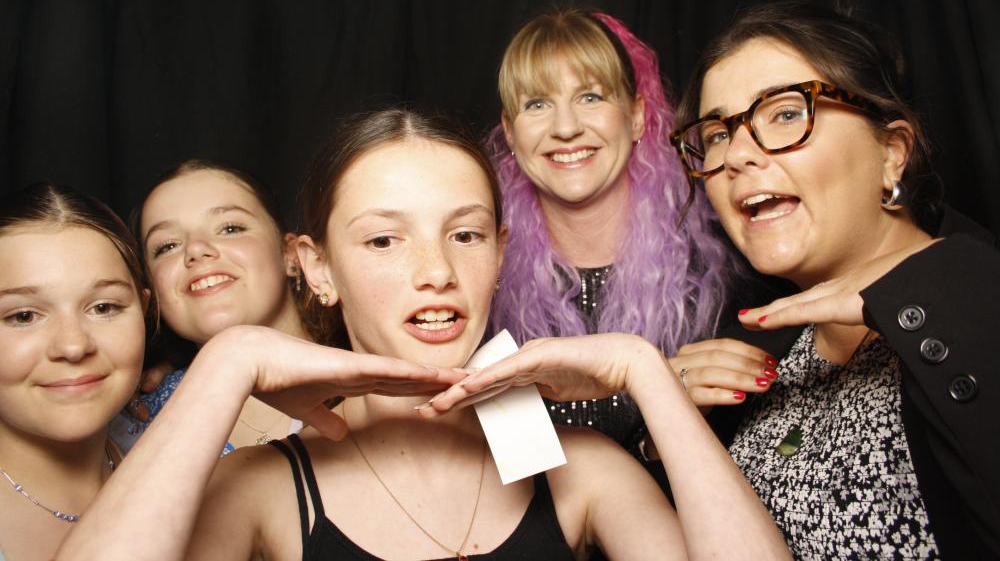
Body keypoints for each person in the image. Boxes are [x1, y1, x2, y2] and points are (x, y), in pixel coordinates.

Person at [57, 108, 789, 560]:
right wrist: (229, 361)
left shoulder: (578, 470)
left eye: (465, 235)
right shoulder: (259, 490)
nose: (436, 271)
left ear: (499, 255)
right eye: (384, 241)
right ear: (317, 268)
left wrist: (643, 369)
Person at [666, 0, 1000, 557]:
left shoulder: (980, 301)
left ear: (891, 153)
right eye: (718, 134)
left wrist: (921, 290)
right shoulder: (763, 347)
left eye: (785, 113)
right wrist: (668, 431)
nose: (738, 155)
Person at [487, 7, 750, 453]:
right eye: (537, 104)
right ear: (511, 132)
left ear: (636, 117)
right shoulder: (481, 282)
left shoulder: (718, 276)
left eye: (590, 97)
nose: (566, 128)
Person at [114, 160, 317, 452]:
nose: (195, 249)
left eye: (230, 228)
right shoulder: (133, 430)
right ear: (152, 292)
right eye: (167, 246)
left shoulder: (377, 378)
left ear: (291, 255)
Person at [0, 183, 151, 561]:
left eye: (104, 308)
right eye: (23, 316)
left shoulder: (183, 464)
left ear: (144, 311)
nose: (73, 346)